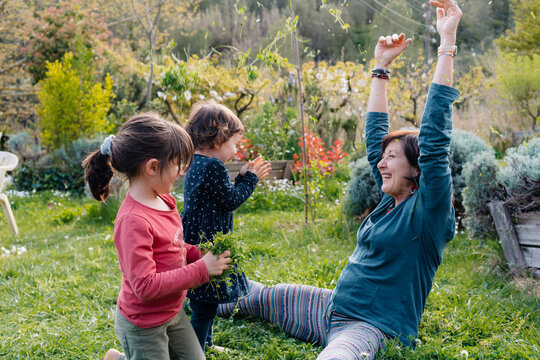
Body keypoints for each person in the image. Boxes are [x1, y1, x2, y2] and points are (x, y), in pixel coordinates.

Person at [217, 1, 462, 359]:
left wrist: (447, 42)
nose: (381, 164)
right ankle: (185, 311)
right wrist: (380, 68)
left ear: (417, 171)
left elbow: (436, 139)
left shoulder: (428, 213)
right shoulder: (389, 201)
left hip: (370, 326)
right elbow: (375, 136)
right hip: (329, 308)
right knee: (248, 295)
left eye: (393, 158)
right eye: (383, 157)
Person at [82, 112, 232, 360]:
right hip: (143, 323)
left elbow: (173, 245)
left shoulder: (164, 199)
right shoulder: (133, 221)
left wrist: (196, 253)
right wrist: (202, 269)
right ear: (152, 167)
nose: (181, 171)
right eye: (176, 163)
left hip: (173, 311)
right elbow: (145, 286)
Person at [181, 101, 271, 351]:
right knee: (204, 306)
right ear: (218, 139)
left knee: (204, 302)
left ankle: (206, 344)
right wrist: (250, 180)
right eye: (234, 143)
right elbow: (230, 200)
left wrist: (240, 177)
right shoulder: (214, 166)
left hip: (195, 238)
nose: (236, 149)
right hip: (209, 242)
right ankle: (196, 351)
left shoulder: (196, 162)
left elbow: (219, 195)